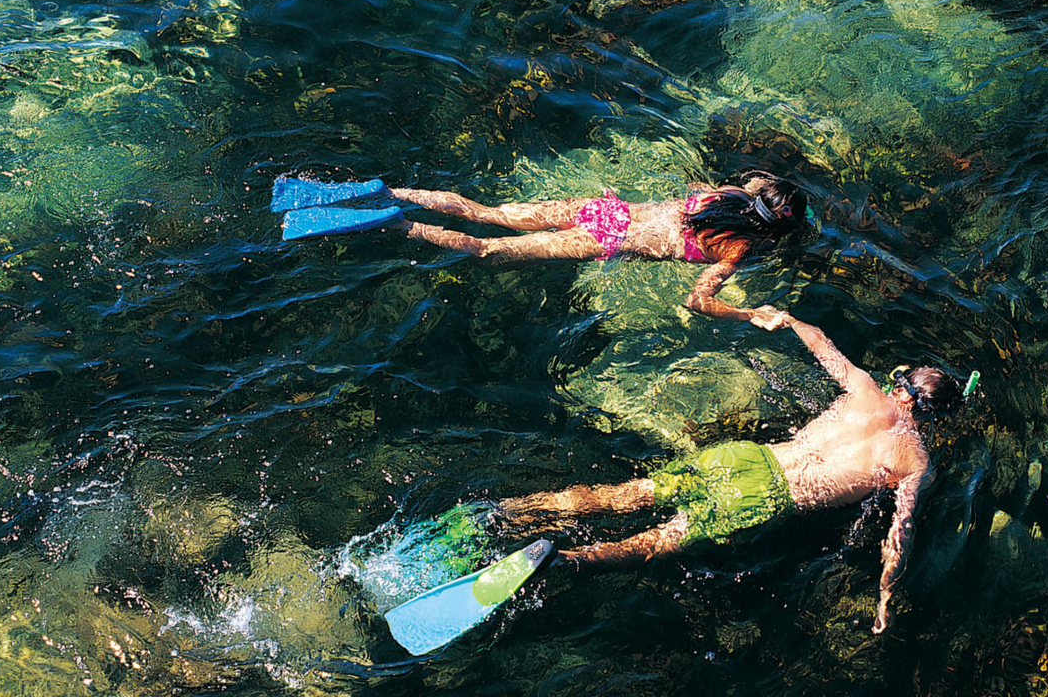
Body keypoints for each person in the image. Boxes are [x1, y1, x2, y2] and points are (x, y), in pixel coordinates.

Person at [498, 308, 964, 633]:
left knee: (631, 492)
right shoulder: (915, 461)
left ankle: (513, 509)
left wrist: (785, 318)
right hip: (765, 498)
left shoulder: (864, 387)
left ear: (902, 385)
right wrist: (885, 593)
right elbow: (898, 531)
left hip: (744, 456)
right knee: (657, 542)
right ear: (933, 415)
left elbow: (820, 338)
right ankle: (565, 560)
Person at [385, 171, 809, 323]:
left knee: (486, 212)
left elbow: (703, 187)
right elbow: (697, 299)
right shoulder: (738, 249)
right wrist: (749, 313)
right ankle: (402, 227)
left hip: (606, 209)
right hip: (608, 238)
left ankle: (396, 193)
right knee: (483, 249)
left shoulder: (726, 195)